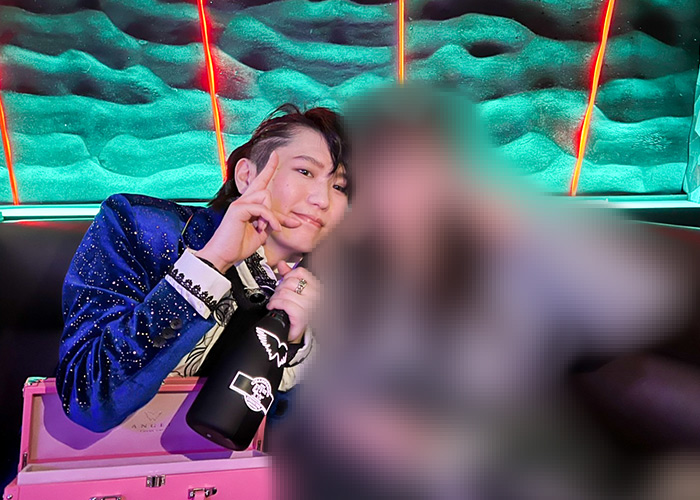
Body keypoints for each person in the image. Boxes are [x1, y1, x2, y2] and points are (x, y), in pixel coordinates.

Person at [57, 104, 350, 433]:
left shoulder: (338, 290)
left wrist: (290, 345)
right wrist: (210, 264)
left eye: (340, 186)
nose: (322, 200)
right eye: (305, 172)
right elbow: (87, 398)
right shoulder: (140, 228)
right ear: (247, 176)